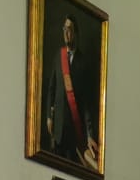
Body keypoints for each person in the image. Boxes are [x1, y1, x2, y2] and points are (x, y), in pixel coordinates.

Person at [41, 13, 99, 170]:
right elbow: (51, 89)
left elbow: (86, 104)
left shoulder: (83, 63)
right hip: (58, 129)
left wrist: (89, 135)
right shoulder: (58, 57)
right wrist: (49, 117)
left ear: (75, 33)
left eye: (70, 29)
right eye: (64, 29)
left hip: (74, 132)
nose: (66, 33)